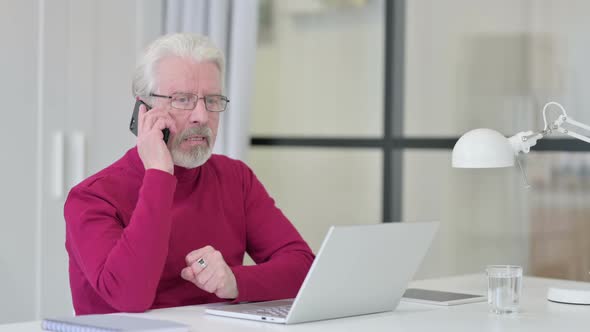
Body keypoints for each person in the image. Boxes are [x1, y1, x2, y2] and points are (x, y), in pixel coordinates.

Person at [64, 33, 315, 315]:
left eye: (212, 100)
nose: (202, 117)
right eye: (182, 100)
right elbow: (129, 297)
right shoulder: (93, 197)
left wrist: (235, 281)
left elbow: (304, 268)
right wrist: (159, 174)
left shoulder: (235, 179)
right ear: (143, 109)